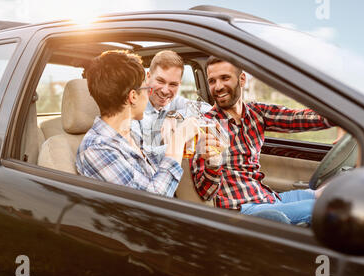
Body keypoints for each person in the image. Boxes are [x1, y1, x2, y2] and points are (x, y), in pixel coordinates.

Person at [191, 57, 335, 225]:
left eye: (225, 78)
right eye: (212, 81)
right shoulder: (207, 125)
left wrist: (341, 118)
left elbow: (299, 119)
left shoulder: (256, 112)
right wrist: (212, 165)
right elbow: (205, 192)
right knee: (324, 209)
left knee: (329, 194)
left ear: (242, 79)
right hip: (243, 209)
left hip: (266, 197)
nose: (218, 87)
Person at [76, 50, 199, 197]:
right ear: (133, 96)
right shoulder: (97, 149)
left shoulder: (127, 133)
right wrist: (178, 140)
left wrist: (190, 145)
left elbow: (152, 156)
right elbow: (153, 203)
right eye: (145, 88)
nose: (149, 93)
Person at [131, 50, 212, 163]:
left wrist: (173, 115)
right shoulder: (134, 109)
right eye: (160, 81)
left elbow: (208, 110)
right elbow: (141, 156)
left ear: (180, 84)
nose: (165, 91)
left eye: (173, 84)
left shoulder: (174, 103)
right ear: (148, 77)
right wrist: (178, 142)